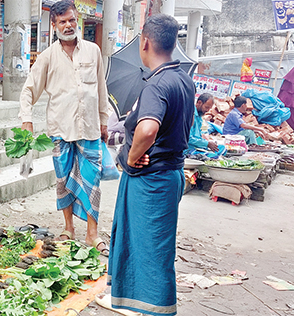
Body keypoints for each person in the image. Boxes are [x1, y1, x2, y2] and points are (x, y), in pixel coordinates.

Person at [105, 14, 194, 316]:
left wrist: (131, 157)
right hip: (169, 175)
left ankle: (156, 310)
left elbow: (147, 130)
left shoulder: (157, 85)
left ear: (144, 42)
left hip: (151, 180)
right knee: (155, 250)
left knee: (149, 253)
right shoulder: (183, 79)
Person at [19, 0, 111, 255]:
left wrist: (104, 120)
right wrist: (26, 119)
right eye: (62, 22)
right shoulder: (47, 57)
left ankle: (92, 233)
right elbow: (28, 90)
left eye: (71, 20)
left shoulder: (93, 51)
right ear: (54, 24)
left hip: (90, 128)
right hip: (60, 129)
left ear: (77, 19)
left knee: (92, 181)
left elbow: (101, 89)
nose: (68, 25)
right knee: (64, 181)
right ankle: (68, 228)